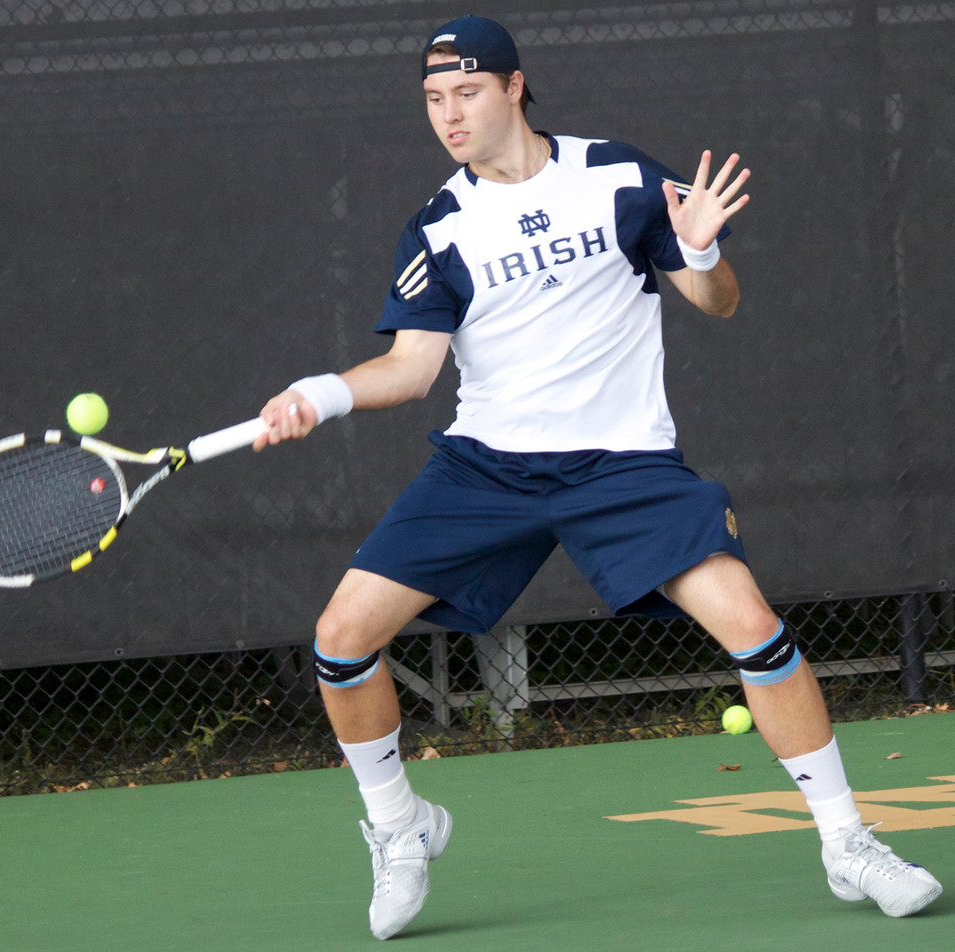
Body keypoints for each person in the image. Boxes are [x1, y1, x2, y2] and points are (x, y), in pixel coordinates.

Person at [252, 15, 942, 940]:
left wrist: (699, 251)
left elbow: (718, 302)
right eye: (432, 101)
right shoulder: (439, 227)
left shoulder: (619, 176)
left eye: (464, 93)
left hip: (624, 467)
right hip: (487, 468)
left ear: (512, 87)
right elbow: (413, 369)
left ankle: (849, 842)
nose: (447, 116)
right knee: (341, 638)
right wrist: (319, 393)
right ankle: (400, 826)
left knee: (755, 628)